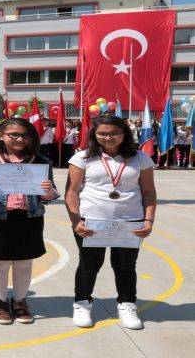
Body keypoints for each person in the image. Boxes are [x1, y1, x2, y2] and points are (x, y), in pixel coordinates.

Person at [65, 115, 156, 330]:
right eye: (102, 133)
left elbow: (149, 192)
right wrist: (76, 220)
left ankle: (126, 304)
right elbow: (71, 192)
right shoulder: (82, 158)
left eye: (115, 133)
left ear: (124, 134)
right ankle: (82, 303)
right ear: (94, 135)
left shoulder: (140, 158)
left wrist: (149, 220)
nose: (109, 137)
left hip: (129, 221)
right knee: (89, 264)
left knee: (125, 265)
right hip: (91, 221)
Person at [0, 118, 59, 325]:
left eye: (25, 135)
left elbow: (51, 193)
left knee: (24, 262)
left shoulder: (41, 162)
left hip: (29, 218)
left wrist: (48, 192)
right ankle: (0, 302)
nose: (19, 139)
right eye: (14, 135)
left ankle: (20, 302)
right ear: (1, 135)